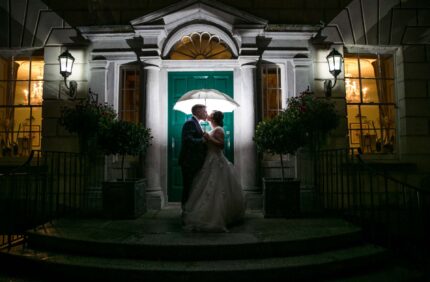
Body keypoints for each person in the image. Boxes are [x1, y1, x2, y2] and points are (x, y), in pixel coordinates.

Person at [183, 110, 245, 232]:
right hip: (208, 160)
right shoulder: (211, 129)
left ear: (214, 118)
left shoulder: (219, 130)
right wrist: (206, 137)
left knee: (217, 187)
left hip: (216, 160)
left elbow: (221, 145)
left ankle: (217, 216)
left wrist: (208, 138)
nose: (208, 115)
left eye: (210, 114)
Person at [178, 104, 208, 209]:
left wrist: (202, 135)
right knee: (188, 186)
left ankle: (190, 209)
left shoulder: (196, 123)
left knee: (192, 186)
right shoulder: (190, 123)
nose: (206, 114)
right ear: (198, 111)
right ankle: (185, 210)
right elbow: (187, 141)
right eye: (205, 111)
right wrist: (202, 140)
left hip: (195, 161)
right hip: (189, 162)